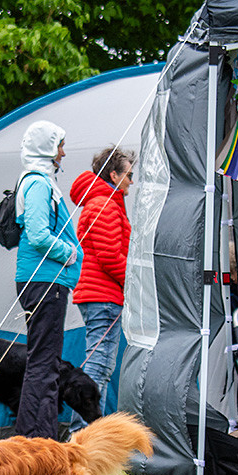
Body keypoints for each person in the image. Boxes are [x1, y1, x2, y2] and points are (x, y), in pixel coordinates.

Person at [13, 121, 83, 439]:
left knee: (43, 362)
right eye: (60, 146)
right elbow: (39, 234)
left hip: (43, 282)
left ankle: (38, 435)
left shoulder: (38, 181)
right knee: (44, 364)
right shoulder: (39, 184)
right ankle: (36, 438)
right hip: (45, 282)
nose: (63, 153)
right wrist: (68, 252)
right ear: (47, 148)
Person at [68, 146, 135, 432]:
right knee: (99, 367)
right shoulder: (105, 204)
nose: (132, 181)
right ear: (114, 174)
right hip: (104, 295)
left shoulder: (101, 202)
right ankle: (83, 435)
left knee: (100, 366)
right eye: (129, 175)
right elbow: (110, 255)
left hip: (99, 294)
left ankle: (88, 435)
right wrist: (132, 284)